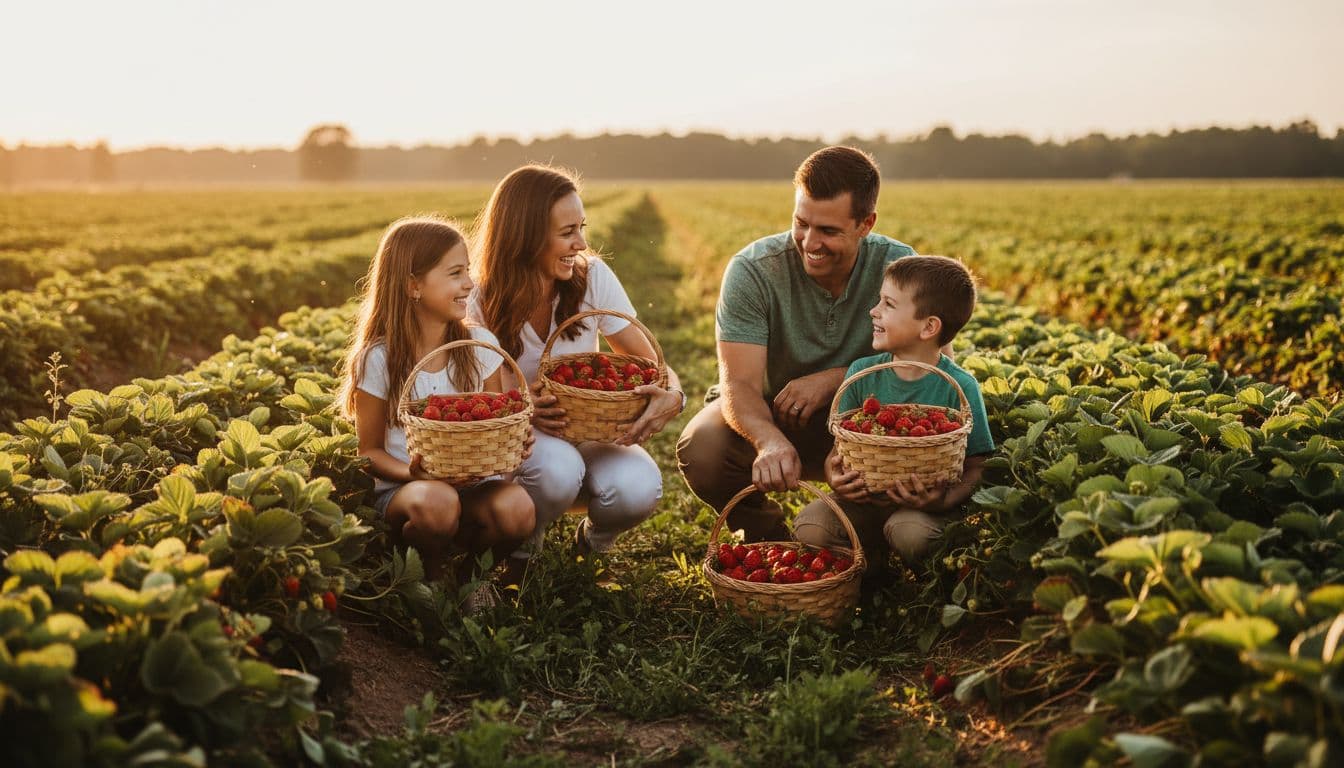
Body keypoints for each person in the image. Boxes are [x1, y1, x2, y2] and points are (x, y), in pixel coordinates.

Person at [676, 145, 931, 541]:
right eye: (801, 223)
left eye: (828, 231)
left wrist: (836, 379)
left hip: (866, 423)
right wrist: (769, 441)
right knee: (702, 448)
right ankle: (767, 535)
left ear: (866, 224)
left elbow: (929, 368)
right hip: (773, 414)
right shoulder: (754, 270)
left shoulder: (899, 268)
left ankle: (860, 539)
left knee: (905, 448)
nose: (810, 242)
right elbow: (739, 385)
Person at [469, 164, 685, 568]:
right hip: (519, 437)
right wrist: (515, 403)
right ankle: (520, 553)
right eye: (567, 232)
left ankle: (591, 550)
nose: (581, 243)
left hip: (590, 427)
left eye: (581, 228)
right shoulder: (477, 296)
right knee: (557, 471)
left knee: (637, 487)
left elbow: (651, 365)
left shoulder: (591, 277)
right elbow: (463, 394)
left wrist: (673, 393)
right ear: (525, 236)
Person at [338, 216, 536, 607]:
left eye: (468, 271)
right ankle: (430, 576)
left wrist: (509, 447)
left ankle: (468, 579)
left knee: (518, 508)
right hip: (407, 491)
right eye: (456, 273)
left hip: (473, 486)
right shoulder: (380, 359)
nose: (470, 283)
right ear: (413, 285)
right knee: (437, 501)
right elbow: (369, 451)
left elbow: (494, 419)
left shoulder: (479, 344)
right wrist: (411, 471)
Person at [794, 255, 994, 564]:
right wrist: (834, 475)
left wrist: (942, 500)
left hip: (922, 508)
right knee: (811, 526)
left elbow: (979, 465)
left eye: (888, 304)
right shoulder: (862, 373)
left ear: (929, 327)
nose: (873, 311)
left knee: (908, 532)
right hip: (866, 499)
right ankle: (871, 566)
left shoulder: (960, 386)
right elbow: (842, 448)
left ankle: (924, 576)